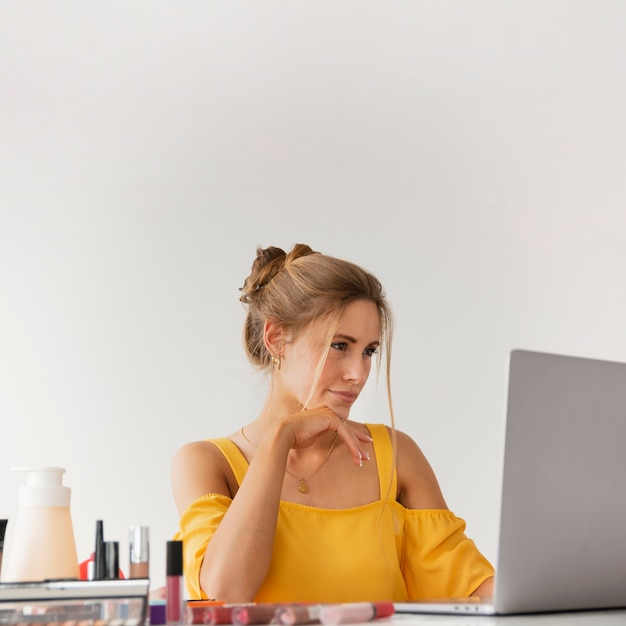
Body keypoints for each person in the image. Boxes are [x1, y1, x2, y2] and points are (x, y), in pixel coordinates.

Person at [171, 243, 494, 603]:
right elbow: (226, 591)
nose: (358, 374)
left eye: (369, 351)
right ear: (277, 339)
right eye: (340, 345)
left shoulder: (395, 455)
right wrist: (282, 437)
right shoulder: (207, 462)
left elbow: (472, 588)